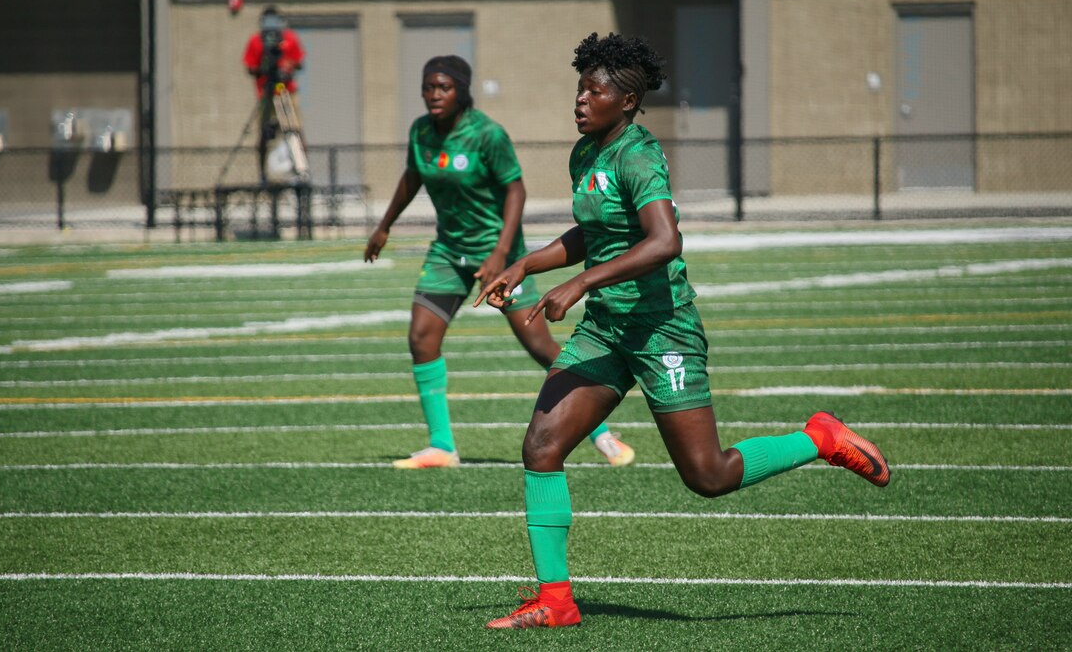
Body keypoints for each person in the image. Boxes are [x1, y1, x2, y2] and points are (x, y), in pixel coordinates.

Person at [475, 32, 891, 629]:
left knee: (708, 476)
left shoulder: (638, 154)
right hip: (608, 332)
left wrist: (583, 283)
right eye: (580, 88)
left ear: (627, 101)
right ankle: (557, 601)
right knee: (541, 447)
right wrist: (525, 264)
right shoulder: (586, 152)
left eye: (596, 91)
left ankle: (820, 439)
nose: (581, 100)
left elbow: (664, 241)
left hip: (663, 330)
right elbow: (593, 234)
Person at [363, 55, 635, 470]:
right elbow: (412, 177)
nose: (434, 95)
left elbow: (515, 192)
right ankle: (441, 446)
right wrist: (384, 226)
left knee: (540, 345)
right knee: (421, 337)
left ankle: (599, 432)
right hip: (448, 251)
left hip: (500, 251)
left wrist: (499, 254)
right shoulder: (421, 131)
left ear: (462, 90)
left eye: (444, 87)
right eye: (428, 87)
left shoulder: (487, 134)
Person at [242, 5, 306, 182]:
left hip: (286, 91)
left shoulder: (290, 39)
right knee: (264, 132)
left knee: (295, 129)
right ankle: (263, 174)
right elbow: (250, 67)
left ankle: (301, 170)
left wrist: (287, 66)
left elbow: (299, 62)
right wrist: (263, 68)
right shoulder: (256, 41)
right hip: (266, 93)